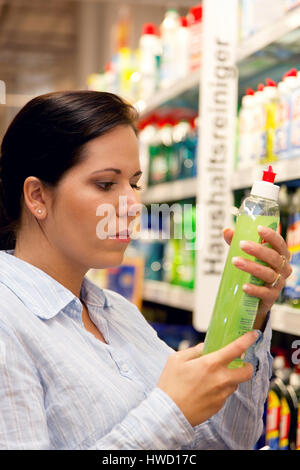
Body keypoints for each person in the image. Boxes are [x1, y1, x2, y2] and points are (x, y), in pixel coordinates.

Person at [0, 91, 292, 450]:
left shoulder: (119, 314)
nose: (132, 205)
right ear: (37, 197)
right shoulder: (7, 320)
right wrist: (170, 411)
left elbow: (223, 442)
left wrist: (251, 311)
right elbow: (173, 421)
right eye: (106, 184)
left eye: (135, 184)